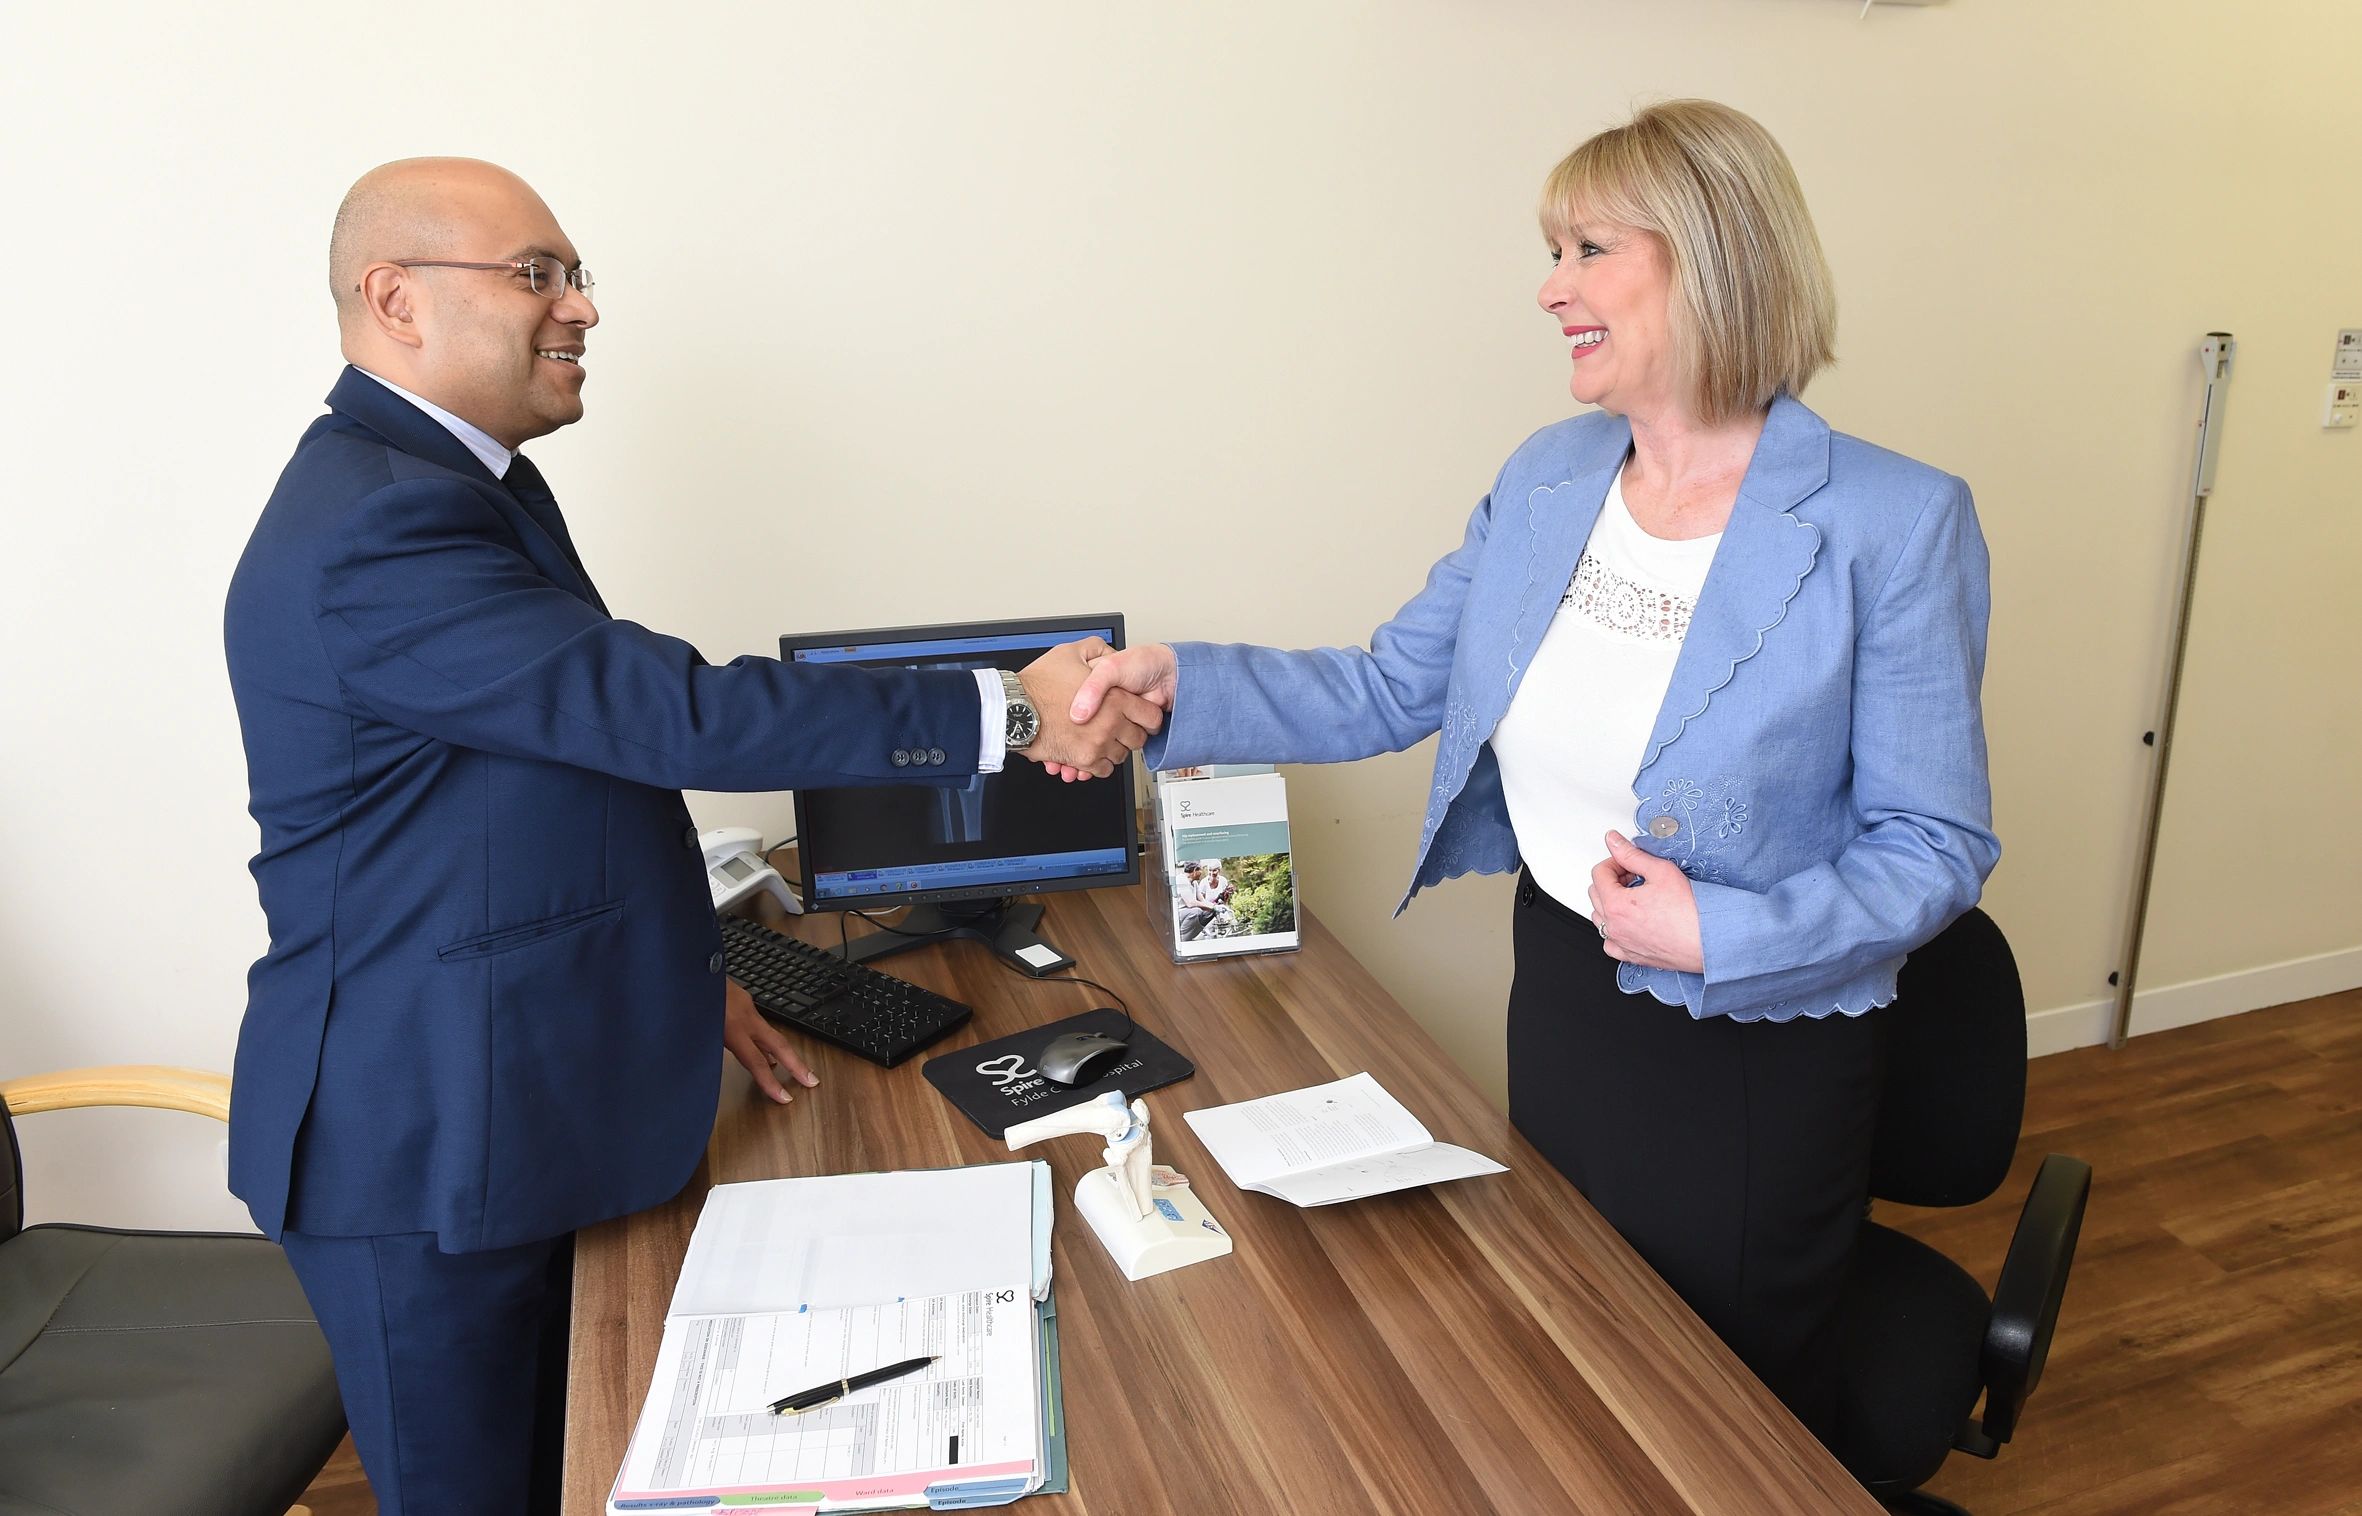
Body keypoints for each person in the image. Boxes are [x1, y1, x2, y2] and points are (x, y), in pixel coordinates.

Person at [221, 157, 1160, 1514]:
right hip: (418, 1129)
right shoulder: (383, 523)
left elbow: (534, 780)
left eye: (578, 272)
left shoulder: (453, 478)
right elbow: (664, 717)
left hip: (482, 1081)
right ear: (395, 300)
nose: (583, 307)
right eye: (537, 274)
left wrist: (680, 964)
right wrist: (1003, 708)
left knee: (568, 1458)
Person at [1069, 101, 1998, 1444]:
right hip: (1564, 985)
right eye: (1549, 250)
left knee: (1723, 1404)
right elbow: (1390, 682)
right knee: (1576, 1344)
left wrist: (1720, 930)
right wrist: (1180, 685)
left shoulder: (1892, 523)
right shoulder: (1550, 478)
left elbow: (1935, 841)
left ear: (1711, 257)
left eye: (1585, 248)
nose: (1549, 286)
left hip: (1743, 1038)